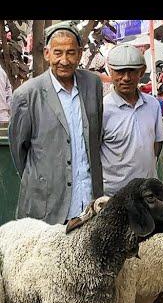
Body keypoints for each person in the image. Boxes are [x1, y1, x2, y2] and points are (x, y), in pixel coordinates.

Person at [9, 22, 104, 224]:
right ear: (46, 54)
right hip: (47, 207)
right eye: (58, 52)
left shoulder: (92, 84)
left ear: (79, 54)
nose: (64, 60)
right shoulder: (27, 95)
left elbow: (96, 137)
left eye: (71, 53)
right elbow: (20, 152)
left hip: (88, 201)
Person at [101, 45, 163, 196]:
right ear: (110, 71)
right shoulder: (102, 109)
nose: (126, 78)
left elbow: (157, 144)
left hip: (146, 193)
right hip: (114, 195)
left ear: (141, 72)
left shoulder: (152, 104)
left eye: (132, 71)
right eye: (120, 72)